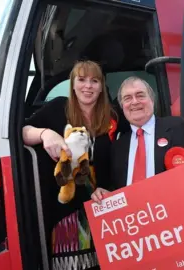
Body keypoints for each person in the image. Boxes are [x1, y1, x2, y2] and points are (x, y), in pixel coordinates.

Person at [23, 60, 116, 269]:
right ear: (72, 84)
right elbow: (21, 131)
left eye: (94, 81)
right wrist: (45, 134)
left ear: (102, 87)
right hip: (66, 214)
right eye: (81, 80)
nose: (88, 86)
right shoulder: (58, 107)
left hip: (104, 208)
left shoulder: (112, 115)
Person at [91, 76, 184, 203]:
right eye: (127, 98)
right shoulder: (117, 147)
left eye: (140, 95)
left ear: (152, 100)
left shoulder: (180, 127)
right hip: (137, 222)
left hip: (178, 218)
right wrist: (103, 194)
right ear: (122, 107)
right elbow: (114, 189)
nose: (135, 102)